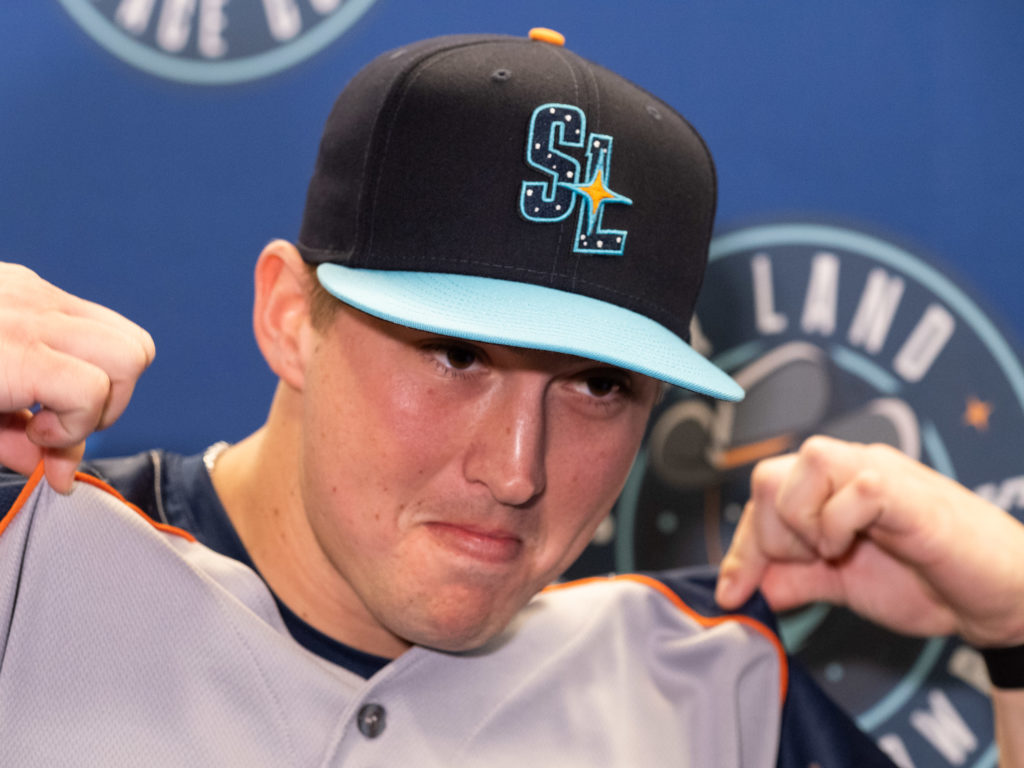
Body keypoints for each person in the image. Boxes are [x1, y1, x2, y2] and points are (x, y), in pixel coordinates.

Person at [1, 28, 1022, 766]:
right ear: (286, 316)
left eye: (596, 385)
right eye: (455, 355)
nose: (517, 469)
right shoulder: (29, 558)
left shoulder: (713, 688)